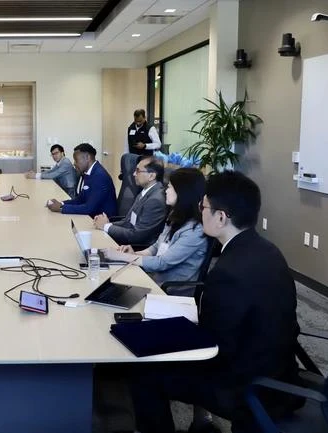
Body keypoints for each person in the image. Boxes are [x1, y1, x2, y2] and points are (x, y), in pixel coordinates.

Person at [128, 171, 300, 433]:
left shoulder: (228, 272)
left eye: (204, 206)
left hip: (246, 385)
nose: (200, 210)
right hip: (279, 370)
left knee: (144, 372)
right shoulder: (268, 250)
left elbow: (213, 348)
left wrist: (162, 338)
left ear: (221, 217)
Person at [105, 167, 207, 285]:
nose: (166, 191)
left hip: (169, 291)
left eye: (169, 187)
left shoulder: (195, 231)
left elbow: (162, 263)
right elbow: (156, 247)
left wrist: (122, 257)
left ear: (182, 192)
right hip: (154, 280)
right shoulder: (175, 217)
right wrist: (134, 254)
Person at [94, 157, 166, 247]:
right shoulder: (145, 192)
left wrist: (106, 226)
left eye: (138, 171)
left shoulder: (155, 200)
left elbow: (137, 235)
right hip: (128, 241)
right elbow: (128, 222)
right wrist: (106, 224)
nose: (134, 174)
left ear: (151, 176)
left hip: (137, 248)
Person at [47, 143, 117, 218]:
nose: (74, 164)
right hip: (92, 216)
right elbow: (80, 200)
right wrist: (61, 203)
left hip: (103, 221)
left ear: (87, 157)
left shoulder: (100, 176)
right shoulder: (89, 172)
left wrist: (60, 208)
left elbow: (88, 208)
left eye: (76, 160)